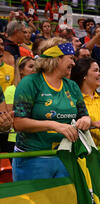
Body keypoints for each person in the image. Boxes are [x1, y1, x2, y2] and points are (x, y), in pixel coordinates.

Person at [12, 37, 91, 181]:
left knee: (63, 203)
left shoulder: (71, 86)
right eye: (70, 58)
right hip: (34, 158)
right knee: (35, 203)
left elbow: (83, 114)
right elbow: (18, 123)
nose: (73, 63)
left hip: (65, 156)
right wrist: (53, 125)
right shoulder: (30, 83)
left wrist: (86, 120)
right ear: (57, 58)